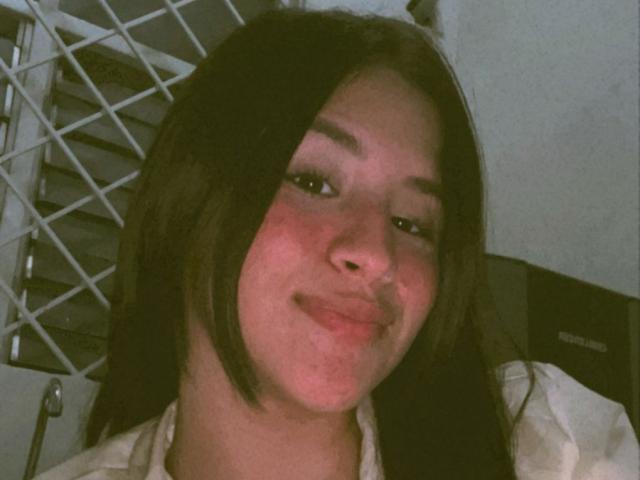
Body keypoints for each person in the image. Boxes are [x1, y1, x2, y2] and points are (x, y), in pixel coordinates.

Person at [36, 8, 638, 480]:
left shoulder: (550, 451)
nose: (376, 255)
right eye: (312, 183)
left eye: (413, 223)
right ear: (190, 199)